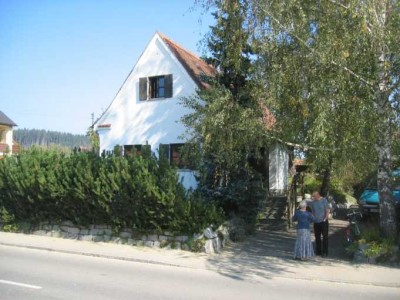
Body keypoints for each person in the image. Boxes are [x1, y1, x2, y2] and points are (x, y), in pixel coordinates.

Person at [309, 191, 330, 257]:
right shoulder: (313, 202)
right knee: (317, 237)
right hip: (316, 222)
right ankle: (318, 251)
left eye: (314, 196)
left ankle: (325, 252)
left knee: (325, 237)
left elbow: (327, 210)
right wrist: (312, 219)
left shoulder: (324, 200)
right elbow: (313, 212)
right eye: (312, 196)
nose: (313, 198)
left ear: (318, 195)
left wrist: (325, 218)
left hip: (323, 222)